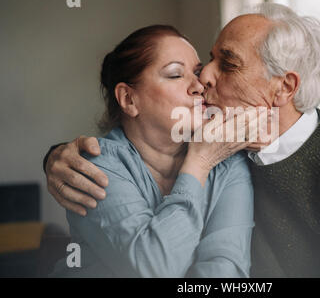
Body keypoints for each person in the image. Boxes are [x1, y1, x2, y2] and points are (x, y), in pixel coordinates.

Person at [44, 3, 320, 277]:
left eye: (229, 63)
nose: (203, 77)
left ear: (283, 87)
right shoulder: (216, 150)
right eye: (206, 61)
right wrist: (55, 156)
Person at [48, 25, 258, 278]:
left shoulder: (227, 163)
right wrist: (198, 164)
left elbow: (226, 269)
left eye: (197, 72)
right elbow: (154, 267)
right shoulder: (96, 164)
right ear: (128, 99)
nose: (199, 86)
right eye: (175, 75)